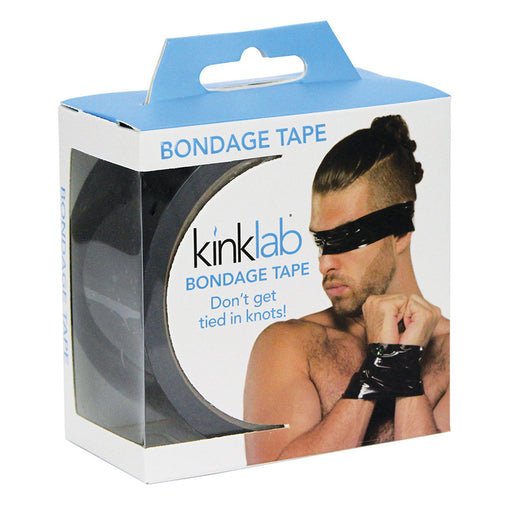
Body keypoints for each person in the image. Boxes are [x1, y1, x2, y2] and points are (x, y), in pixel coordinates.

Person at [243, 115, 450, 464]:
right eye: (321, 242)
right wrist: (378, 366)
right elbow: (274, 485)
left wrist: (403, 361)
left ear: (400, 232)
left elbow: (440, 480)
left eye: (347, 238)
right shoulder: (289, 345)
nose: (325, 263)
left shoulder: (456, 353)